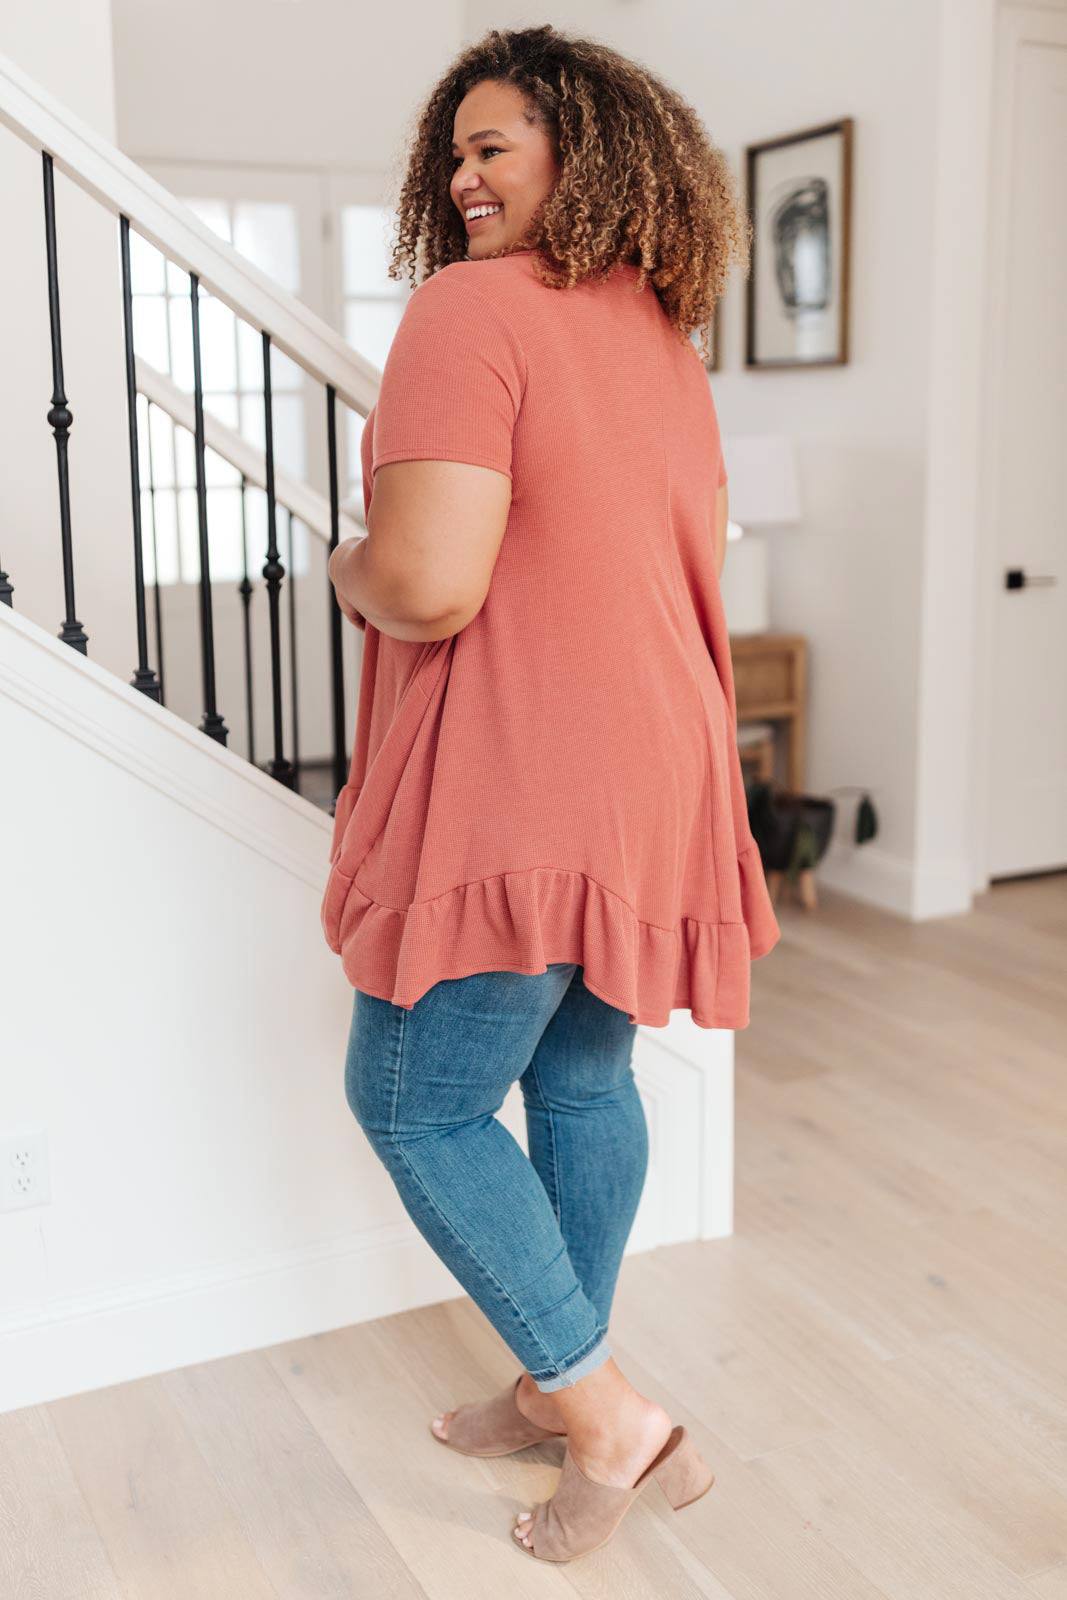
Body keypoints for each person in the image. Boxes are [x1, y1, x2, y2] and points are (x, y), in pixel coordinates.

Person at [323, 24, 781, 1561]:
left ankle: (607, 1415)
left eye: (492, 145)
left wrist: (342, 564)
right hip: (661, 767)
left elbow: (430, 584)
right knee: (581, 1082)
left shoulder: (471, 312)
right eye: (451, 152)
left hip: (534, 765)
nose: (459, 176)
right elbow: (686, 564)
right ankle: (551, 1378)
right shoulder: (663, 341)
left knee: (412, 1095)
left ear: (584, 153)